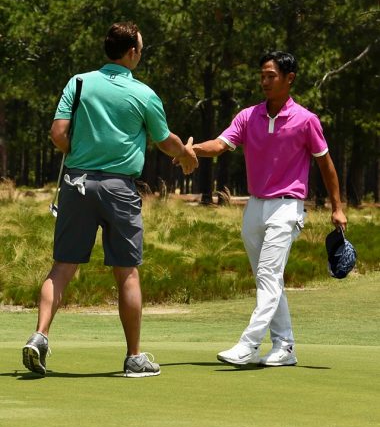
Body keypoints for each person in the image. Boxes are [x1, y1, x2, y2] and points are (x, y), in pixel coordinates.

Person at [22, 21, 198, 378]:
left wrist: (83, 153)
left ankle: (39, 336)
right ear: (131, 51)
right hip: (120, 188)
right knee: (127, 273)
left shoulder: (79, 82)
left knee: (62, 267)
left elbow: (58, 133)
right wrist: (186, 156)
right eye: (141, 49)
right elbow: (164, 140)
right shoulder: (144, 95)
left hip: (77, 184)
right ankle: (134, 357)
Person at [191, 51, 347, 367]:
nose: (264, 81)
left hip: (288, 208)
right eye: (262, 75)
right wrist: (189, 150)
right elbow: (220, 145)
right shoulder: (248, 117)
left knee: (267, 274)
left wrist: (338, 207)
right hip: (254, 207)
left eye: (271, 76)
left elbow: (326, 165)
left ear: (289, 79)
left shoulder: (306, 120)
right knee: (268, 280)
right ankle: (285, 346)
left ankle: (248, 344)